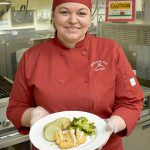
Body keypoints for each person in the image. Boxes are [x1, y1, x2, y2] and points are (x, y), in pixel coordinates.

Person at [6, 0, 144, 150]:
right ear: (53, 16)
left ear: (90, 18)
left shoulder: (111, 50)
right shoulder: (31, 57)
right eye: (64, 12)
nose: (73, 20)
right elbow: (15, 108)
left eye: (81, 13)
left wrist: (113, 125)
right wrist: (33, 114)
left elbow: (131, 102)